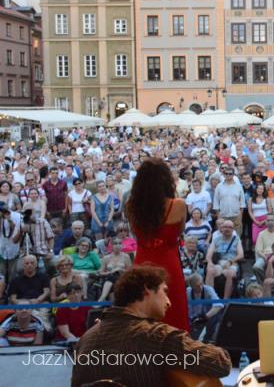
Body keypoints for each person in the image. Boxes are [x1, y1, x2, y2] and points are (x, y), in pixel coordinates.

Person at [71, 264, 232, 386]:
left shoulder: (86, 339)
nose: (169, 302)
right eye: (164, 291)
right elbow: (220, 363)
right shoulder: (159, 336)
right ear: (147, 289)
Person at [126, 158, 190, 331]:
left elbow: (136, 235)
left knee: (142, 310)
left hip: (143, 262)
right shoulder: (178, 205)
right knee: (172, 309)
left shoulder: (130, 206)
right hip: (169, 264)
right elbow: (180, 230)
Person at [205, 220, 244, 299]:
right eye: (225, 227)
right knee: (210, 270)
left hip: (232, 263)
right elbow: (209, 254)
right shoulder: (216, 240)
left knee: (230, 273)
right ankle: (211, 299)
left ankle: (225, 300)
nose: (227, 229)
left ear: (233, 230)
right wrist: (209, 262)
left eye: (230, 227)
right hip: (219, 263)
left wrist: (230, 261)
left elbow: (241, 255)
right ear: (221, 228)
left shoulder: (236, 240)